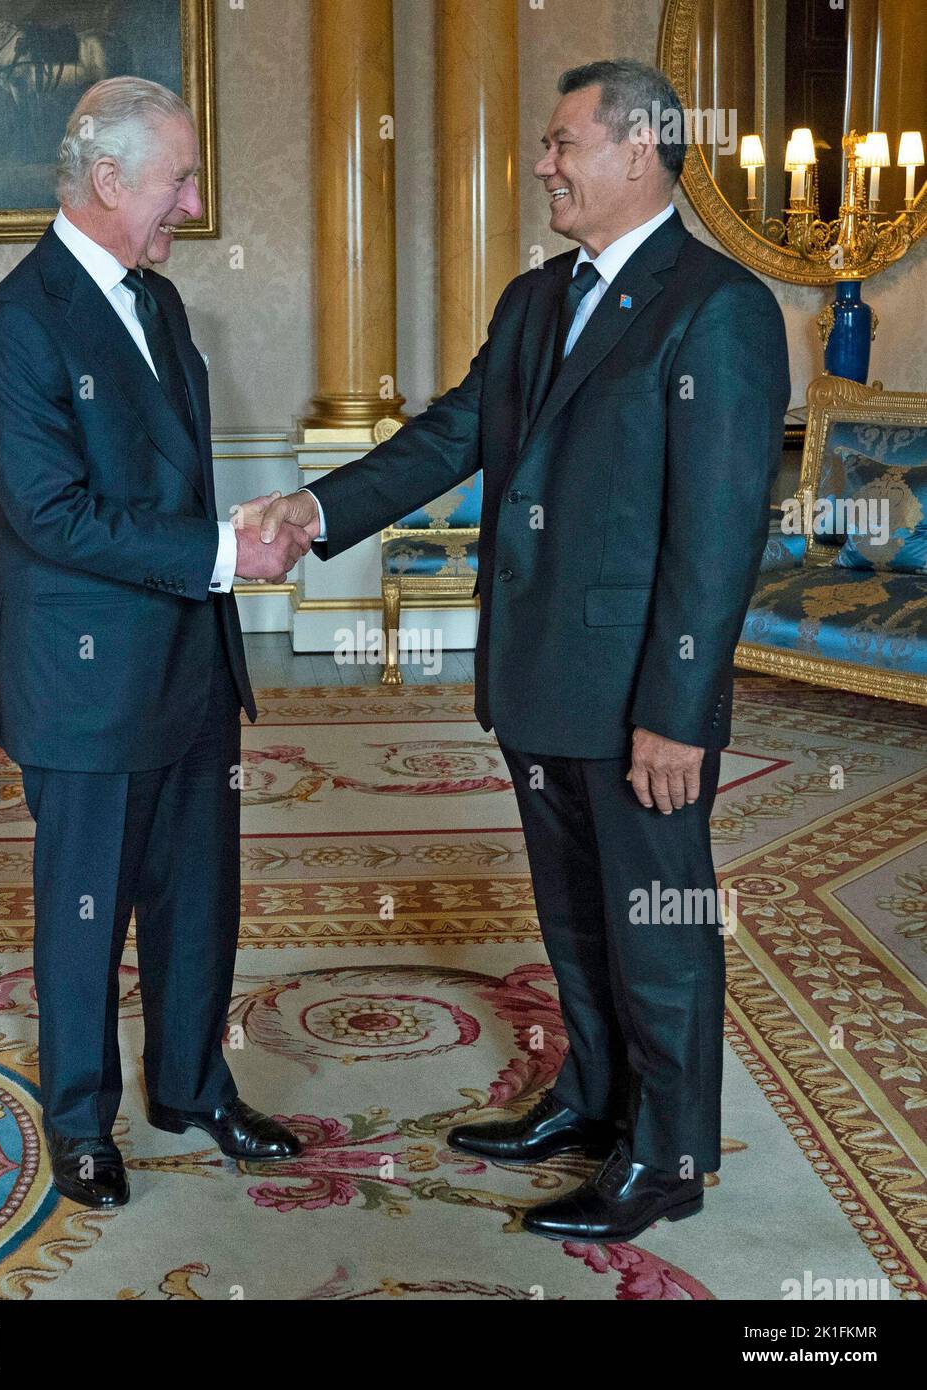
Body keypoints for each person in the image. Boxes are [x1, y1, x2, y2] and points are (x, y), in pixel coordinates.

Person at [251, 60, 791, 1242]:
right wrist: (317, 512)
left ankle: (669, 1158)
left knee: (659, 928)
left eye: (561, 143)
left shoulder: (719, 308)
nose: (541, 164)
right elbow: (450, 434)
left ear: (638, 149)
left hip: (640, 695)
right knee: (577, 916)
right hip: (539, 677)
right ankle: (594, 1103)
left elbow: (717, 538)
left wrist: (677, 709)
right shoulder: (537, 299)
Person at [0, 77, 311, 1209]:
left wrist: (234, 535)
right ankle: (80, 1121)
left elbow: (168, 481)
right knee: (84, 907)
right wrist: (223, 552)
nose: (193, 201)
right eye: (180, 179)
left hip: (188, 664)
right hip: (86, 685)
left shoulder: (157, 303)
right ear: (109, 182)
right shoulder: (16, 323)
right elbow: (52, 514)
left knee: (197, 896)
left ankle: (192, 1087)